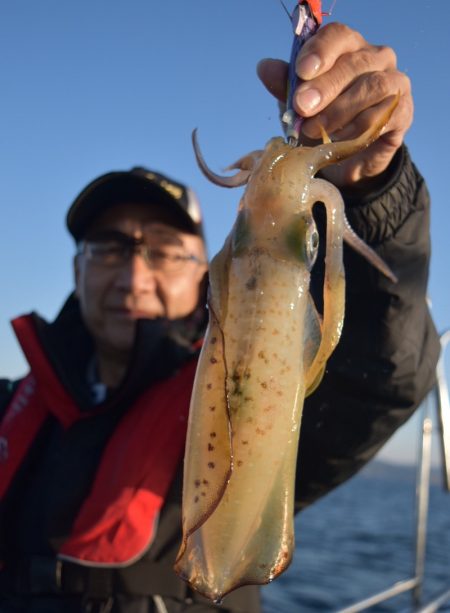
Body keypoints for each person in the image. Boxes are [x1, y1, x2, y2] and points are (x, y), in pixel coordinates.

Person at [0, 22, 440, 613]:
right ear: (75, 269)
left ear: (204, 272)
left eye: (161, 248)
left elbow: (381, 376)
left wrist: (374, 193)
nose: (133, 276)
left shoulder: (255, 387)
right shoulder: (12, 407)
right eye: (107, 248)